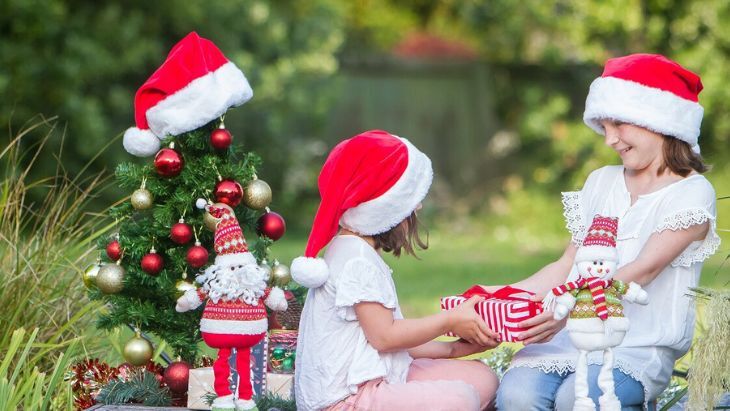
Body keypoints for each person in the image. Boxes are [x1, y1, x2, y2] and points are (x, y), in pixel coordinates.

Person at [495, 53, 721, 410]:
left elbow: (643, 270)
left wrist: (564, 310)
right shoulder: (601, 182)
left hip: (634, 346)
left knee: (579, 397)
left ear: (658, 120)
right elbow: (567, 263)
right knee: (517, 395)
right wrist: (502, 294)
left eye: (618, 124)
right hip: (569, 337)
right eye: (603, 126)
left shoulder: (691, 193)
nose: (609, 139)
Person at [291, 130, 500, 411]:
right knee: (461, 399)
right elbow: (385, 337)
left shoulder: (354, 248)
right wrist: (449, 321)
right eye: (410, 199)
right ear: (384, 207)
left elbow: (387, 344)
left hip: (376, 371)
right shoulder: (356, 261)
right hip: (345, 399)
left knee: (483, 379)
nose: (419, 206)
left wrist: (454, 350)